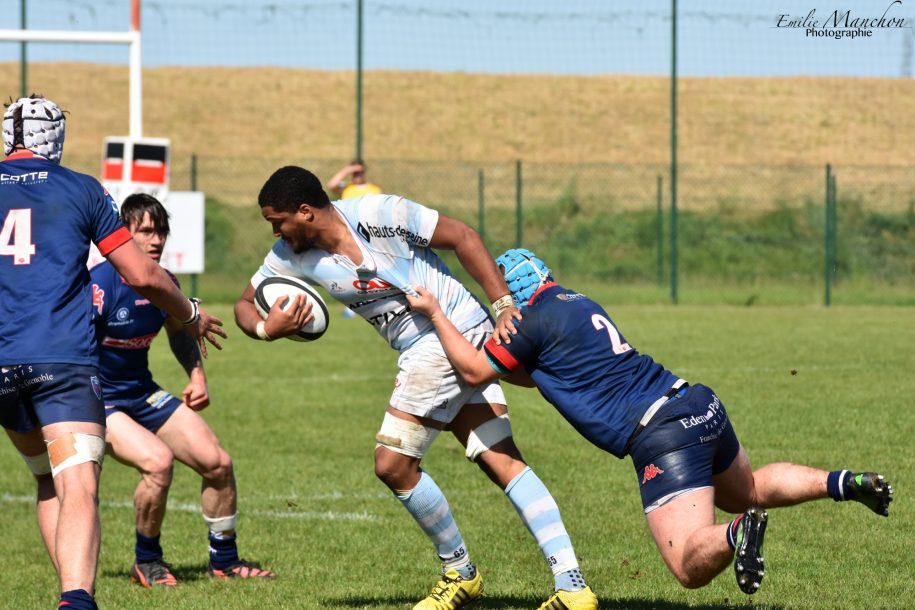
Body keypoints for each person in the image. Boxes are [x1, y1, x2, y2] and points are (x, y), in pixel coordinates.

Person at [405, 247, 894, 596]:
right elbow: (541, 378)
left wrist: (434, 313)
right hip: (697, 403)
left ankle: (736, 533)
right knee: (747, 488)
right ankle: (846, 482)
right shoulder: (575, 302)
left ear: (511, 298)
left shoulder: (528, 323)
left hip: (662, 436)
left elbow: (473, 369)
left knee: (687, 566)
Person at [234, 166, 598, 610]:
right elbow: (243, 301)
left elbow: (464, 236)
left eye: (278, 221)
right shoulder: (290, 254)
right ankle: (573, 585)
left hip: (446, 336)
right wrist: (265, 329)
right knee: (501, 459)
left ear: (305, 212)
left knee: (391, 464)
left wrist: (503, 306)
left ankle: (459, 573)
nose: (275, 231)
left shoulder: (379, 212)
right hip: (435, 345)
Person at [0, 95, 225, 610]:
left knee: (45, 480)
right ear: (55, 139)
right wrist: (189, 314)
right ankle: (75, 601)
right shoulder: (82, 189)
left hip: (2, 364)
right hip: (61, 362)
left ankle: (71, 595)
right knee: (76, 483)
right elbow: (142, 274)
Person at [90, 193, 274, 588]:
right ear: (123, 234)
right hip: (99, 402)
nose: (156, 241)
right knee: (158, 462)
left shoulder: (164, 284)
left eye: (161, 232)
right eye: (146, 231)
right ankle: (148, 561)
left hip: (142, 393)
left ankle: (224, 561)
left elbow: (179, 331)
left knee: (217, 463)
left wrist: (196, 376)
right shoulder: (99, 284)